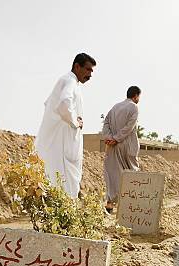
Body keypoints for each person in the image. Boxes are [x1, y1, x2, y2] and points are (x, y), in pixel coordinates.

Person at [34, 53, 96, 199]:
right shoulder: (69, 81)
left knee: (58, 173)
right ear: (77, 66)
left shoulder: (71, 82)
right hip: (62, 140)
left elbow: (51, 103)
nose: (90, 75)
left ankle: (61, 206)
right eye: (88, 70)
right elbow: (63, 103)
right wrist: (75, 121)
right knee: (61, 174)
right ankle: (64, 206)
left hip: (63, 139)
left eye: (91, 71)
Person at [102, 86, 141, 212]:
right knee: (131, 173)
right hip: (126, 145)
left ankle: (110, 204)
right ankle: (130, 204)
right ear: (135, 96)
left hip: (112, 146)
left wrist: (109, 137)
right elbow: (130, 126)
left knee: (113, 174)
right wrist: (117, 138)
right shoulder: (134, 107)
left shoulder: (115, 107)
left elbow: (106, 122)